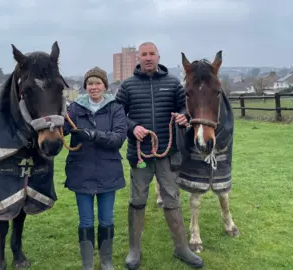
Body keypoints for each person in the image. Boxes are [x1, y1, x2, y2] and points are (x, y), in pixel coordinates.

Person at [115, 42, 204, 269]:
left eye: (151, 54)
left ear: (158, 56)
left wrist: (184, 117)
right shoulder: (127, 86)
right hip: (140, 154)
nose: (148, 58)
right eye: (143, 54)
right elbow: (117, 115)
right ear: (138, 57)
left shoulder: (173, 83)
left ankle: (181, 247)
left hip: (167, 153)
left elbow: (184, 108)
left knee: (172, 199)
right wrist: (132, 126)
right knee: (137, 200)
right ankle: (134, 250)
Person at [63, 66, 127, 270]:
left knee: (106, 219)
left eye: (97, 83)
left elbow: (118, 138)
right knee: (86, 221)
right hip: (81, 172)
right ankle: (88, 264)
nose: (94, 87)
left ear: (105, 86)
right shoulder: (74, 108)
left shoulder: (115, 107)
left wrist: (92, 135)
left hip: (108, 172)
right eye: (90, 83)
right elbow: (61, 131)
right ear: (85, 86)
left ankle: (106, 261)